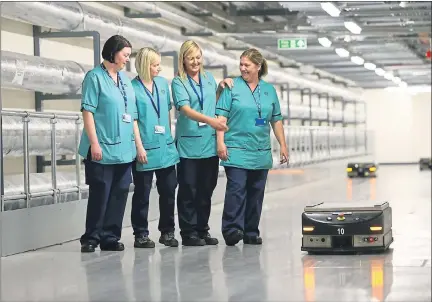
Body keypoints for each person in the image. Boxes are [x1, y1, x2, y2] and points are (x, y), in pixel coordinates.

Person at [215, 48, 289, 246]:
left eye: (247, 65)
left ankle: (250, 231)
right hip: (236, 149)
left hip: (260, 151)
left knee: (256, 193)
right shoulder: (231, 87)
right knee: (236, 189)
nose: (242, 68)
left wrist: (283, 144)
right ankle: (231, 230)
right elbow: (220, 118)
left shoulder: (269, 91)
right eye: (241, 64)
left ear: (258, 66)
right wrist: (220, 142)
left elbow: (276, 120)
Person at [78, 35, 138, 253]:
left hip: (123, 149)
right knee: (100, 193)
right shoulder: (94, 77)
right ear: (113, 52)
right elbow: (88, 112)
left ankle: (110, 237)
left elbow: (131, 116)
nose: (127, 60)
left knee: (120, 193)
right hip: (101, 147)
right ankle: (91, 237)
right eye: (125, 55)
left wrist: (135, 145)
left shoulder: (125, 81)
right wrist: (94, 144)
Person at [171, 40, 232, 246]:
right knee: (188, 188)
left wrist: (220, 89)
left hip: (208, 143)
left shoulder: (208, 79)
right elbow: (185, 109)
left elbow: (212, 103)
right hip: (188, 145)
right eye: (191, 58)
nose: (195, 62)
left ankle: (202, 229)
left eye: (198, 57)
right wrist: (210, 121)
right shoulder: (178, 82)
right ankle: (188, 232)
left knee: (207, 187)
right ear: (183, 60)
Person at [130, 47, 180, 248]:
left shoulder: (161, 83)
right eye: (155, 65)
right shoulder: (132, 87)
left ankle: (167, 232)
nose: (159, 69)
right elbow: (133, 120)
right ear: (144, 65)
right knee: (142, 193)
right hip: (145, 147)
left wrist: (168, 136)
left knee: (169, 190)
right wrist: (139, 147)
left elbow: (166, 111)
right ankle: (140, 234)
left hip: (165, 146)